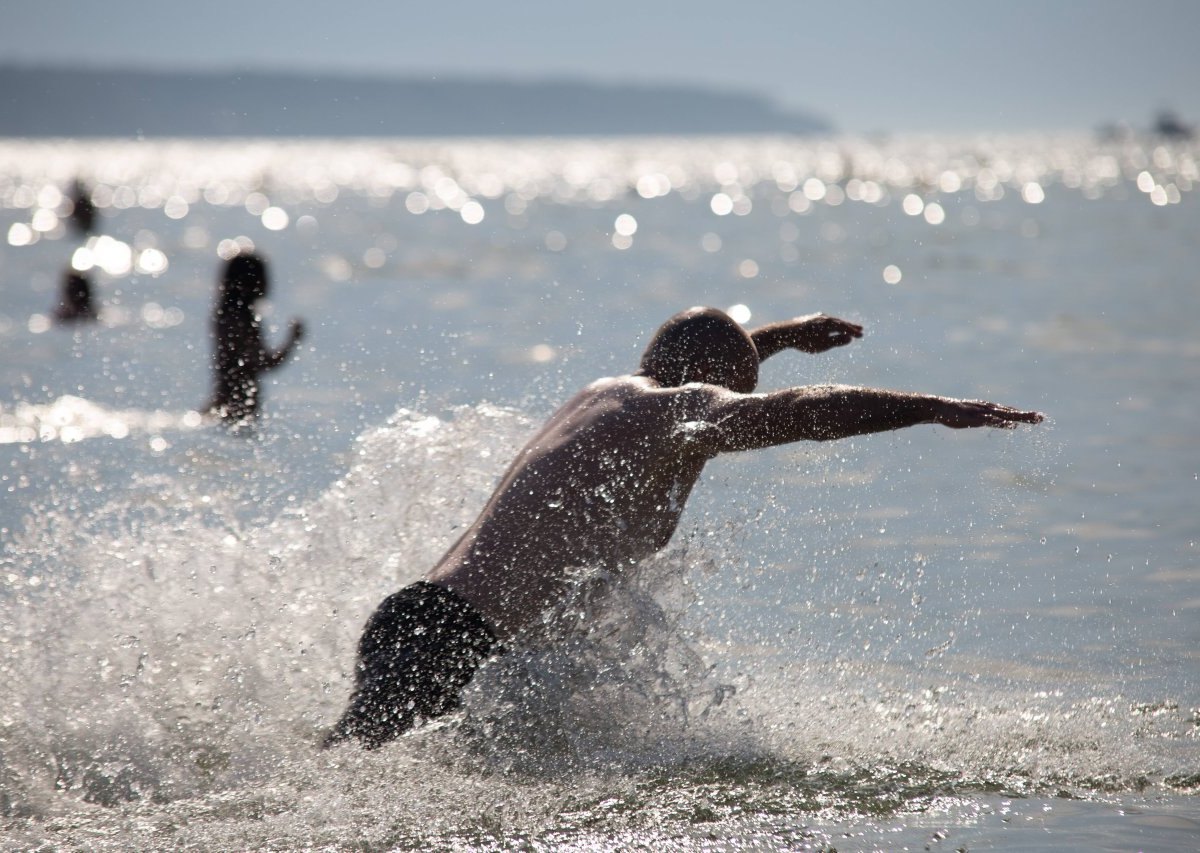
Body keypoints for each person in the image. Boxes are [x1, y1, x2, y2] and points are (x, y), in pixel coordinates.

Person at [324, 306, 1043, 749]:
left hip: (417, 623)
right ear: (703, 380)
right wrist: (930, 405)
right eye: (733, 386)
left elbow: (695, 361)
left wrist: (782, 334)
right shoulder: (675, 412)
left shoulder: (605, 394)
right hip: (451, 648)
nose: (736, 401)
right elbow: (802, 411)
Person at [205, 252, 305, 428]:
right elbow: (262, 363)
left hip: (225, 405)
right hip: (236, 409)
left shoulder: (225, 315)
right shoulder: (240, 319)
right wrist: (292, 340)